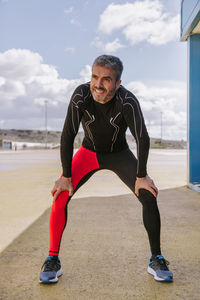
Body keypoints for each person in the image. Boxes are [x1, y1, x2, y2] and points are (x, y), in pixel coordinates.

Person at [39, 55, 173, 284]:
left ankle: (156, 258)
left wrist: (141, 176)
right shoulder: (81, 95)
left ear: (118, 83)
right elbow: (67, 135)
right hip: (88, 153)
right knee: (60, 195)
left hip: (119, 155)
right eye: (94, 76)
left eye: (106, 79)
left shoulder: (127, 100)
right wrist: (66, 176)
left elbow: (142, 137)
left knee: (148, 195)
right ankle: (53, 259)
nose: (98, 85)